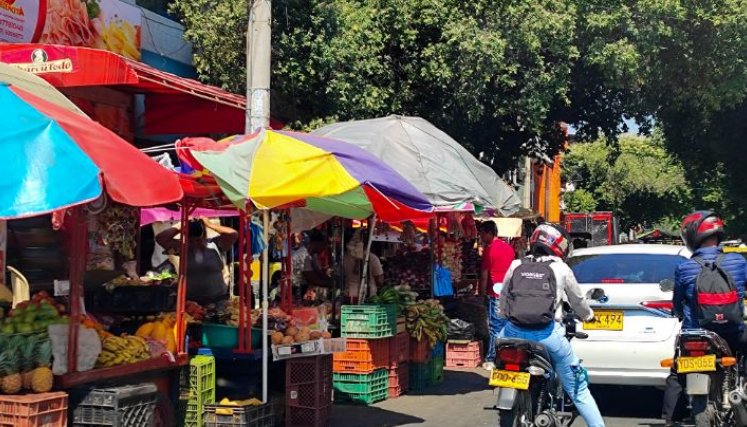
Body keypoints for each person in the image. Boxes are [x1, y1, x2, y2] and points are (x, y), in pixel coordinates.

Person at [498, 222, 605, 427]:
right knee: (579, 389)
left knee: (499, 357)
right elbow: (577, 301)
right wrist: (588, 316)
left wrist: (503, 315)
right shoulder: (561, 268)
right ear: (558, 245)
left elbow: (503, 297)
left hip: (512, 332)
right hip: (547, 335)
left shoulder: (516, 265)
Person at [661, 211, 746, 426]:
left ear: (692, 236)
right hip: (733, 332)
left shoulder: (685, 267)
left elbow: (678, 300)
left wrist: (679, 315)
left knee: (677, 371)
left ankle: (671, 419)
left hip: (696, 333)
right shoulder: (738, 261)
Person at [156, 218, 238, 307]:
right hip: (191, 303)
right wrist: (181, 226)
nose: (195, 243)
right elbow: (160, 238)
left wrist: (209, 224)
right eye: (191, 241)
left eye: (198, 240)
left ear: (203, 236)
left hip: (217, 300)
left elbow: (233, 234)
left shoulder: (215, 244)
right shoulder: (183, 248)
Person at [479, 220, 515, 370]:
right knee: (507, 325)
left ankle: (491, 358)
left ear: (488, 233)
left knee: (495, 327)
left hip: (495, 293)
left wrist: (481, 293)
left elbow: (484, 275)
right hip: (510, 292)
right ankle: (506, 357)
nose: (480, 237)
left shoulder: (489, 250)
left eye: (481, 233)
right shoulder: (509, 248)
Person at [343, 230, 384, 303]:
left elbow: (340, 275)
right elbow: (379, 280)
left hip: (349, 294)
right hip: (368, 296)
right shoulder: (372, 258)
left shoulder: (345, 257)